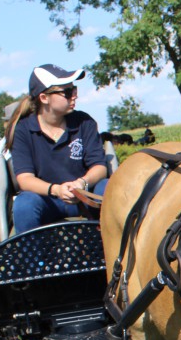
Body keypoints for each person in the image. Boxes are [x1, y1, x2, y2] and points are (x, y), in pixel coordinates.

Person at [7, 64, 108, 234]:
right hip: (47, 202)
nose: (74, 96)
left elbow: (100, 167)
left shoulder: (85, 122)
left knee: (108, 187)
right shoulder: (23, 130)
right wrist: (57, 190)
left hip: (85, 198)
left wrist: (82, 183)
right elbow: (25, 179)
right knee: (24, 204)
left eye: (74, 90)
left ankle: (115, 254)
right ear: (44, 98)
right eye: (67, 93)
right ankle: (34, 261)